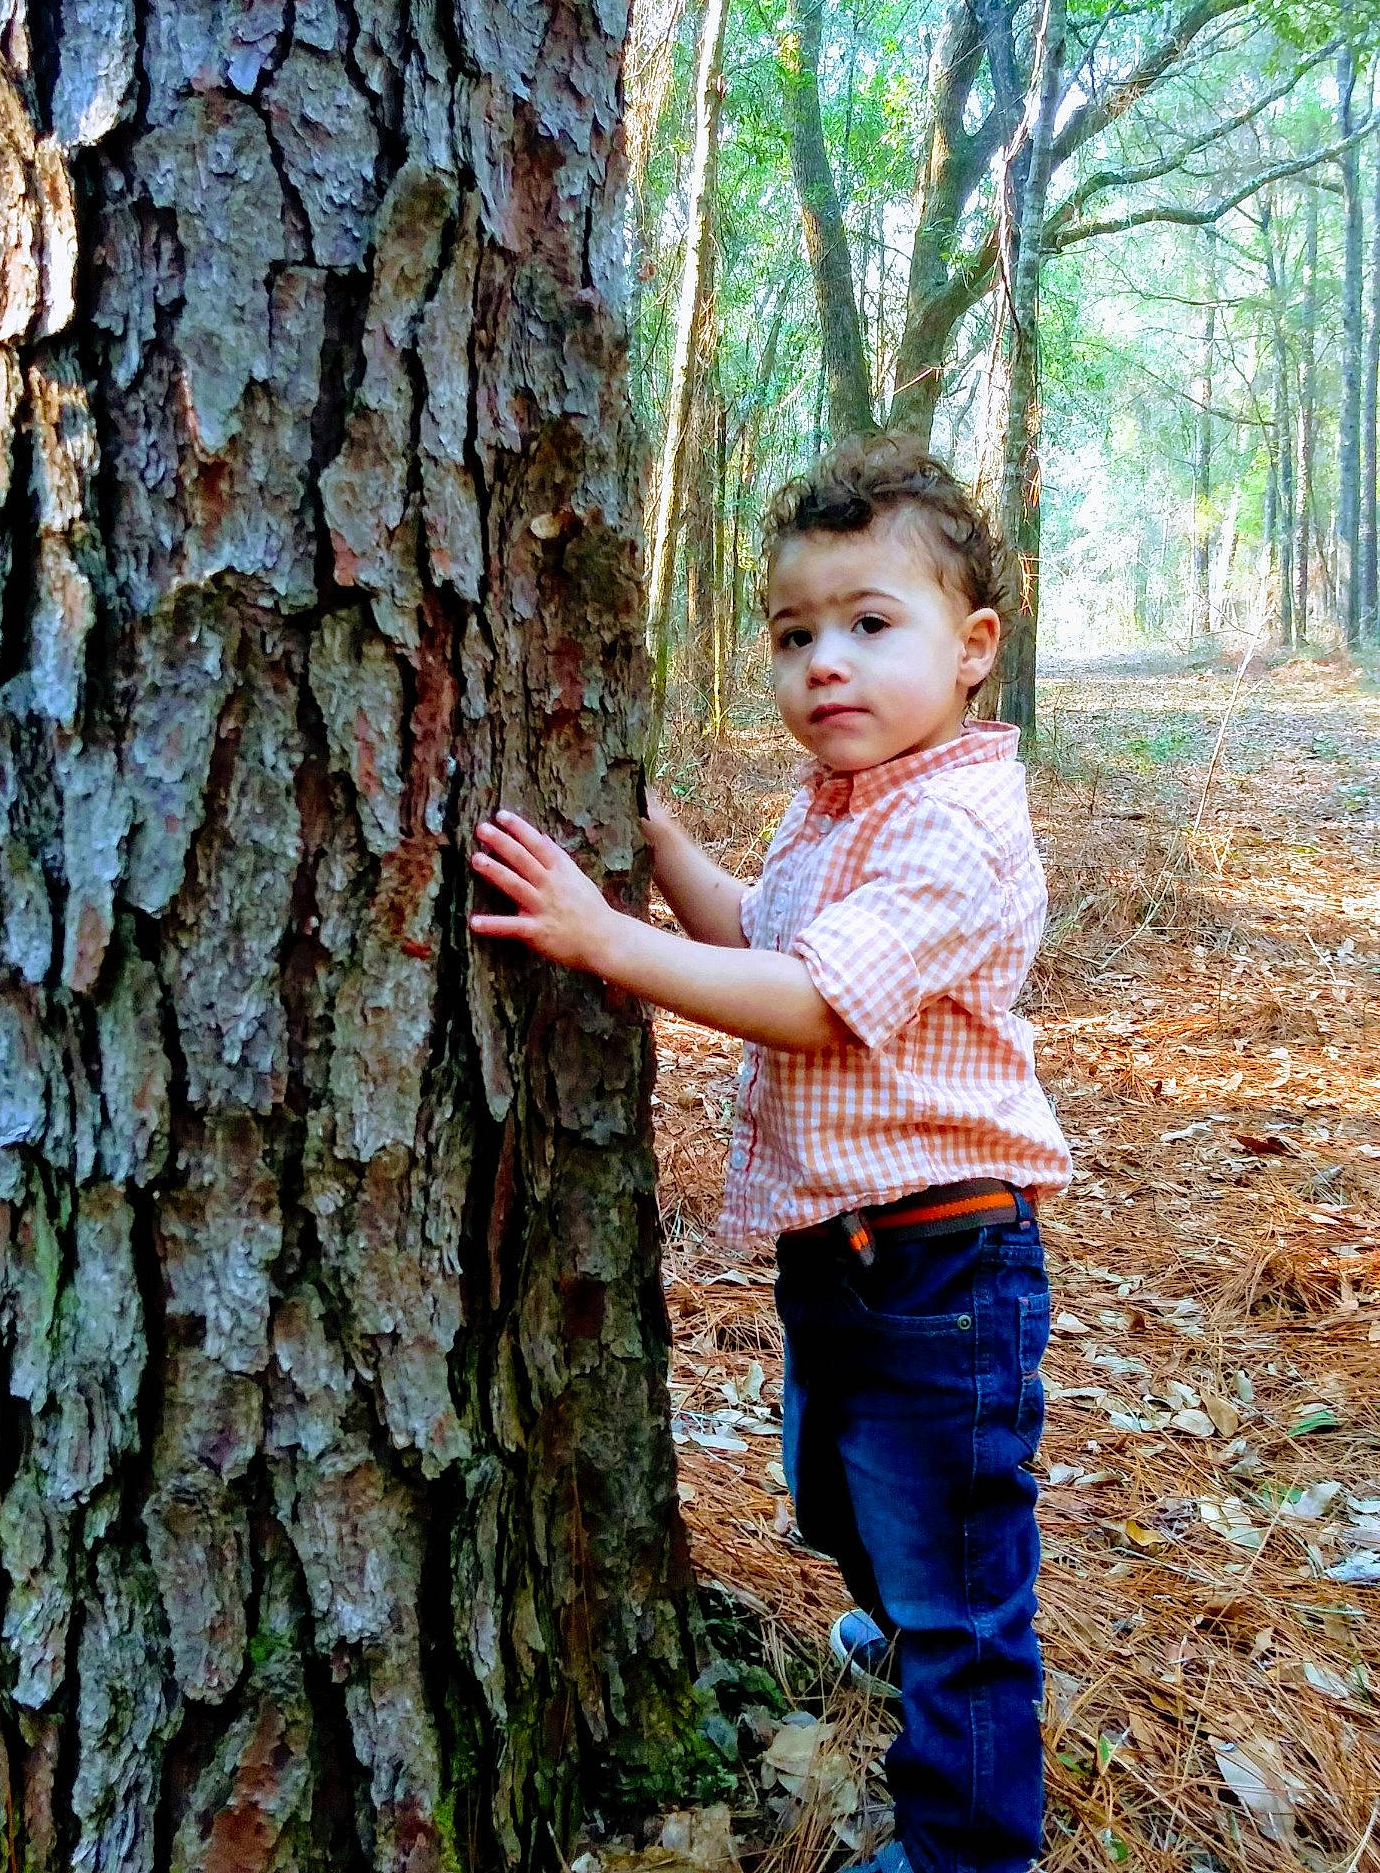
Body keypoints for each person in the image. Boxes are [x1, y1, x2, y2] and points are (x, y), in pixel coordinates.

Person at [470, 433, 1072, 1873]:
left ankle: (969, 1847)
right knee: (834, 1497)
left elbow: (810, 1001)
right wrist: (665, 850)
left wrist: (608, 944)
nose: (826, 665)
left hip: (942, 1259)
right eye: (796, 633)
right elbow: (765, 937)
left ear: (972, 647)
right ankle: (899, 1611)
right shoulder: (838, 806)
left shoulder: (958, 827)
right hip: (849, 1256)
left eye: (872, 627)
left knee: (958, 1588)